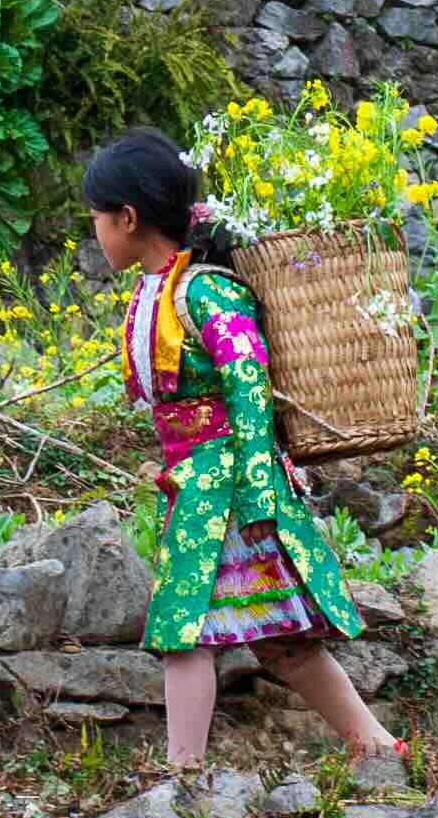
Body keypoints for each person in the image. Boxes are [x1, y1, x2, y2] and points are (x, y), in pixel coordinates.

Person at [84, 128, 402, 780]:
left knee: (185, 628)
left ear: (127, 217)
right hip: (199, 484)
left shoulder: (205, 292)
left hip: (226, 488)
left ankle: (185, 774)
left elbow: (249, 386)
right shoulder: (160, 294)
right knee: (281, 640)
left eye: (96, 218)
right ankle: (373, 745)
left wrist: (259, 485)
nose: (95, 233)